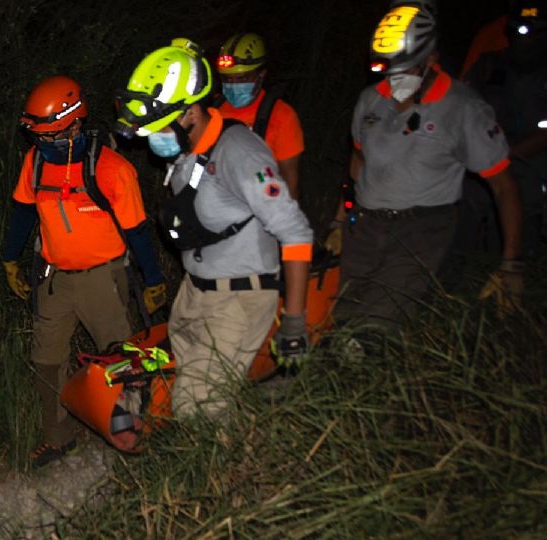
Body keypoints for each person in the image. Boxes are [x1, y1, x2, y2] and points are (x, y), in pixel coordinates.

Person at [115, 39, 313, 417]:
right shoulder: (187, 151)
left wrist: (294, 320)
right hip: (196, 293)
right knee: (198, 398)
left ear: (190, 112)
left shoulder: (239, 151)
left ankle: (223, 471)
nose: (151, 138)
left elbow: (296, 231)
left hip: (239, 298)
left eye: (158, 127)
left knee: (199, 411)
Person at [325, 4, 524, 337]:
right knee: (333, 314)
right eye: (389, 68)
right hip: (367, 225)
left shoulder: (463, 109)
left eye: (407, 68)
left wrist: (511, 264)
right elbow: (358, 164)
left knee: (373, 327)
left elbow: (505, 187)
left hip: (421, 228)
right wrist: (339, 221)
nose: (395, 78)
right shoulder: (370, 101)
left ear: (431, 57)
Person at [0, 75, 167, 468]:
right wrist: (10, 259)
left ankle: (136, 436)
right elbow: (24, 213)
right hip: (55, 277)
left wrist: (154, 279)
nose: (42, 143)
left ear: (76, 123)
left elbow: (138, 232)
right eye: (37, 136)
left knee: (124, 362)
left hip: (102, 279)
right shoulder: (36, 162)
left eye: (51, 135)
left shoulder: (111, 169)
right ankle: (60, 438)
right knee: (47, 362)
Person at [460, 0, 547, 258]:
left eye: (532, 31)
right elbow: (459, 110)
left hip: (533, 167)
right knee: (461, 209)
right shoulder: (489, 65)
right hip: (483, 161)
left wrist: (504, 155)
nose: (523, 38)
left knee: (520, 228)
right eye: (517, 29)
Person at [216, 33, 305, 199]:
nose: (233, 85)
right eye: (228, 79)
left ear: (261, 74)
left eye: (241, 78)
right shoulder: (214, 111)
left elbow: (290, 181)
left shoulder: (281, 116)